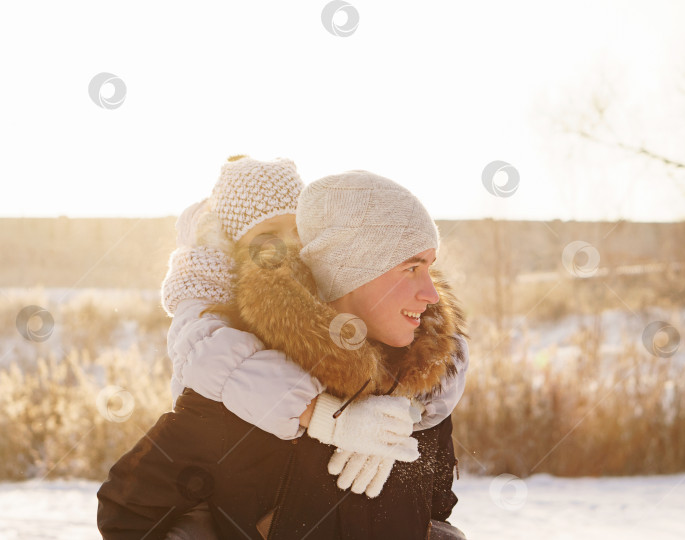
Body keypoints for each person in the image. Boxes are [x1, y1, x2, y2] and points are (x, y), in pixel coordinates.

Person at [97, 167, 468, 539]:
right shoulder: (239, 403)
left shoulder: (418, 401)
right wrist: (326, 417)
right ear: (351, 271)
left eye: (428, 268)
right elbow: (127, 513)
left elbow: (436, 514)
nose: (431, 293)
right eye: (410, 267)